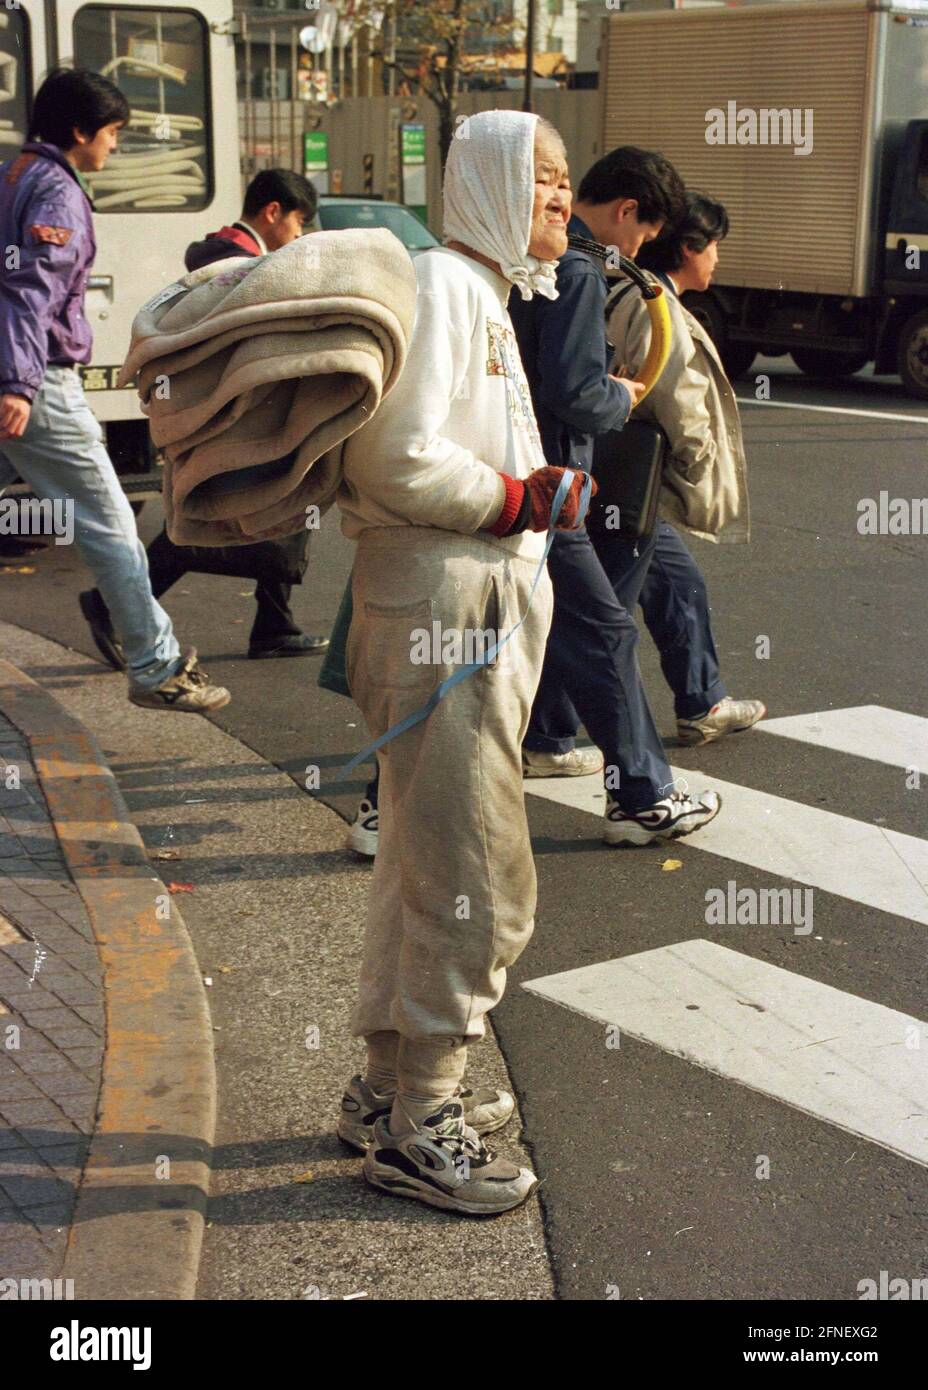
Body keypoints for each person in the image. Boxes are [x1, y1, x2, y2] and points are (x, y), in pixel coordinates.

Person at [334, 109, 588, 1216]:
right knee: (479, 876)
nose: (562, 205)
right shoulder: (447, 286)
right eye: (544, 183)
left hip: (457, 603)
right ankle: (417, 1125)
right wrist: (512, 498)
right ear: (486, 181)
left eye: (567, 187)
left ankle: (388, 1091)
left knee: (421, 861)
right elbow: (390, 452)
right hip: (446, 609)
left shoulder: (481, 291)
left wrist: (528, 495)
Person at [509, 146, 722, 845]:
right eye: (548, 181)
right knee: (601, 633)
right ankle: (640, 793)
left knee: (479, 647)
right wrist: (619, 396)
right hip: (550, 487)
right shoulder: (573, 270)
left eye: (566, 182)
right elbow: (572, 392)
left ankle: (388, 804)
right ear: (627, 212)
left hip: (509, 483)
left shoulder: (513, 263)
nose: (638, 251)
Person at [0, 68, 229, 713]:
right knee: (110, 524)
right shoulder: (56, 193)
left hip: (17, 374)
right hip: (38, 382)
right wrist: (17, 384)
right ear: (80, 131)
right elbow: (29, 295)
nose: (116, 147)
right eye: (113, 132)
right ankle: (157, 668)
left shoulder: (13, 176)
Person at [81, 168, 329, 666]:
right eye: (298, 223)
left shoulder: (225, 255)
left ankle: (274, 625)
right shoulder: (237, 265)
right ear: (272, 212)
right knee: (215, 522)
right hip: (228, 414)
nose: (298, 236)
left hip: (230, 408)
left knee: (282, 504)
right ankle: (108, 603)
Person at [599, 190, 764, 745]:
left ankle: (702, 701)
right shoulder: (655, 304)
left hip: (625, 479)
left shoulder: (635, 292)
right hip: (631, 481)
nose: (717, 258)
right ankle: (545, 735)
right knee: (600, 614)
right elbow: (672, 395)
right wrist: (698, 460)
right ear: (689, 249)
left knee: (676, 585)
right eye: (714, 246)